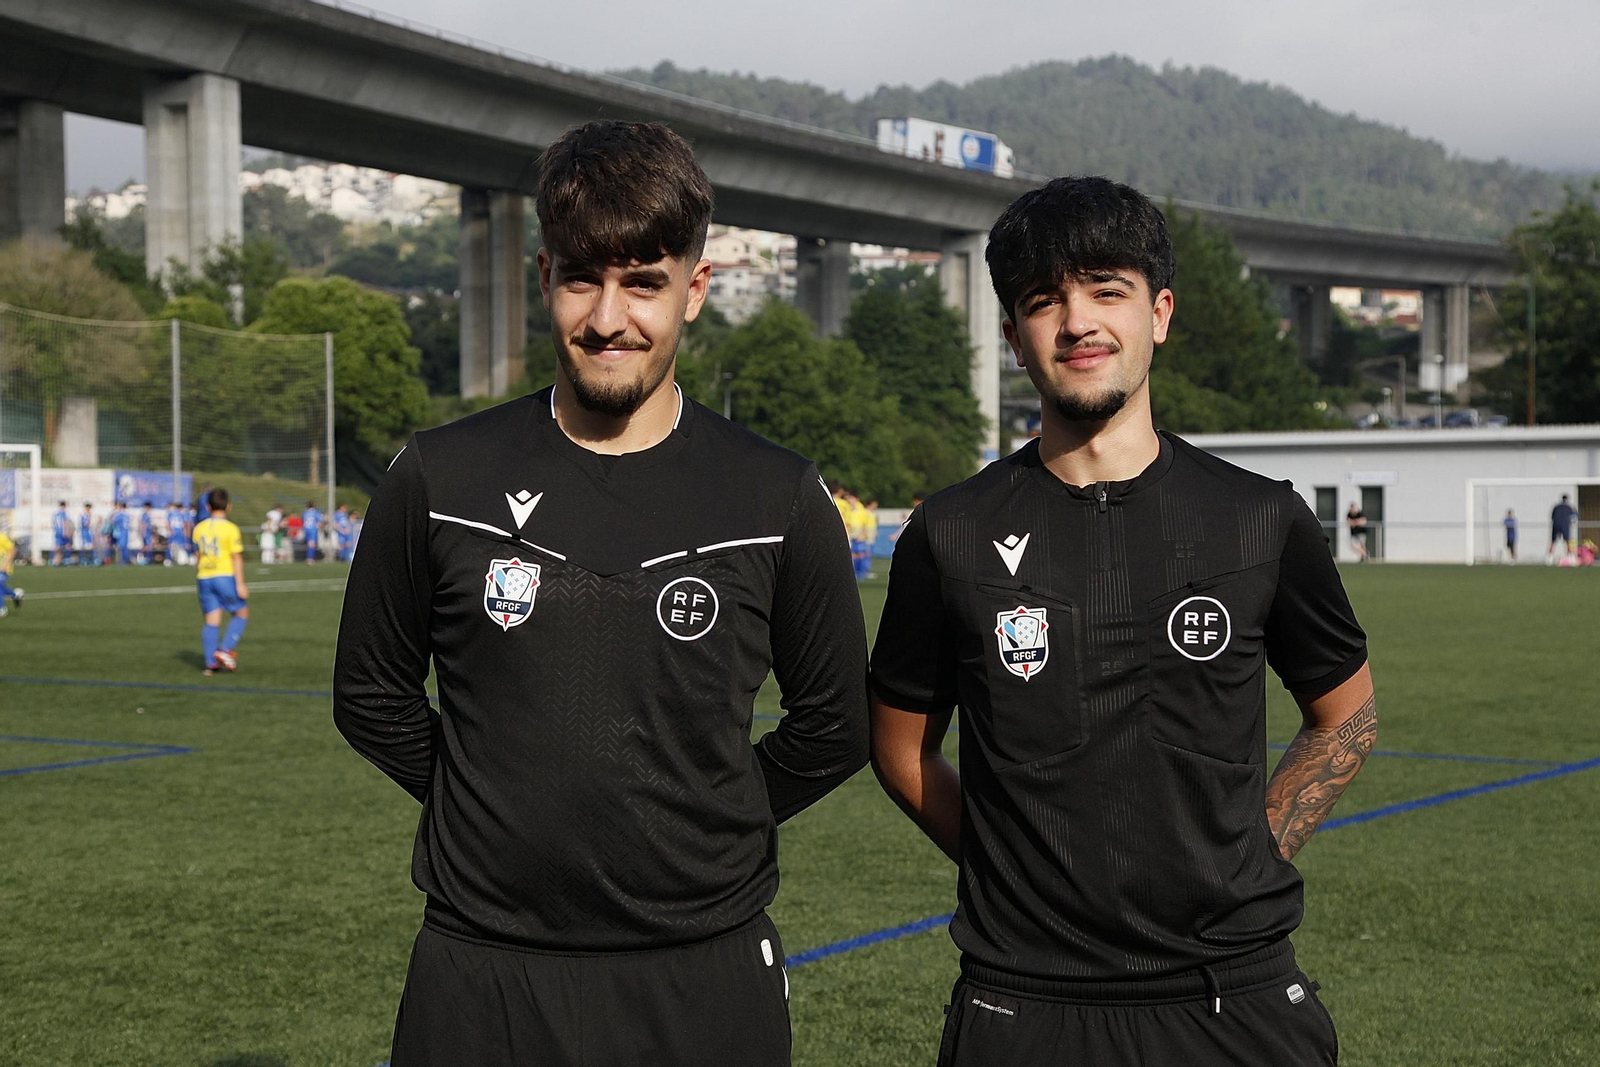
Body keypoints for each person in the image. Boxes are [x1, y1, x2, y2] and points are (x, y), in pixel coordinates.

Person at [333, 120, 869, 1067]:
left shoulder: (777, 493)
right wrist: (485, 801)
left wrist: (710, 812)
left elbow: (836, 724)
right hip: (483, 968)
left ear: (694, 291)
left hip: (701, 971)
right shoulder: (438, 477)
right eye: (584, 277)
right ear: (545, 277)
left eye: (644, 283)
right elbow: (371, 696)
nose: (608, 317)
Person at [869, 176, 1375, 1067]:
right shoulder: (950, 532)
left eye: (1107, 290)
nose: (1078, 322)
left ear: (1161, 312)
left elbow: (1348, 712)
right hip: (1026, 1000)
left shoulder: (1259, 518)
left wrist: (1253, 849)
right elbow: (902, 747)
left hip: (1237, 996)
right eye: (1043, 300)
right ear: (1014, 337)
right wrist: (1011, 870)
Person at [193, 488, 249, 675]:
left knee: (212, 620)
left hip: (203, 577)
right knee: (241, 613)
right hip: (224, 576)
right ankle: (224, 650)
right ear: (229, 506)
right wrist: (240, 584)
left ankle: (210, 665)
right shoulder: (230, 528)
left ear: (207, 506)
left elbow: (198, 555)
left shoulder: (199, 527)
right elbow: (236, 557)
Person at [1548, 493, 1577, 564]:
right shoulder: (1569, 507)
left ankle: (1549, 559)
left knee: (1553, 541)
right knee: (1567, 541)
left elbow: (1552, 517)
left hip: (1556, 524)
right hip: (1565, 524)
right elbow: (1574, 517)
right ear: (1567, 500)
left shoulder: (1556, 507)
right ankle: (1571, 559)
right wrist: (1572, 524)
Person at [0, 527, 23, 617]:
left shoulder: (1, 537)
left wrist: (6, 563)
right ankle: (15, 594)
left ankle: (1, 609)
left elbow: (13, 549)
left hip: (3, 569)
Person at [860, 497, 880, 579]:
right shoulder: (865, 513)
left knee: (869, 554)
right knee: (866, 554)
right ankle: (864, 571)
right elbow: (863, 524)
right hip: (867, 537)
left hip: (871, 537)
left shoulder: (872, 513)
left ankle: (866, 570)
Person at [51, 502, 73, 566]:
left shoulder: (55, 513)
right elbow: (65, 522)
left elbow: (54, 523)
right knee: (67, 545)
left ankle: (54, 560)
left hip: (57, 531)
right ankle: (66, 560)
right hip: (62, 531)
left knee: (57, 546)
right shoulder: (64, 513)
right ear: (64, 506)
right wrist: (66, 532)